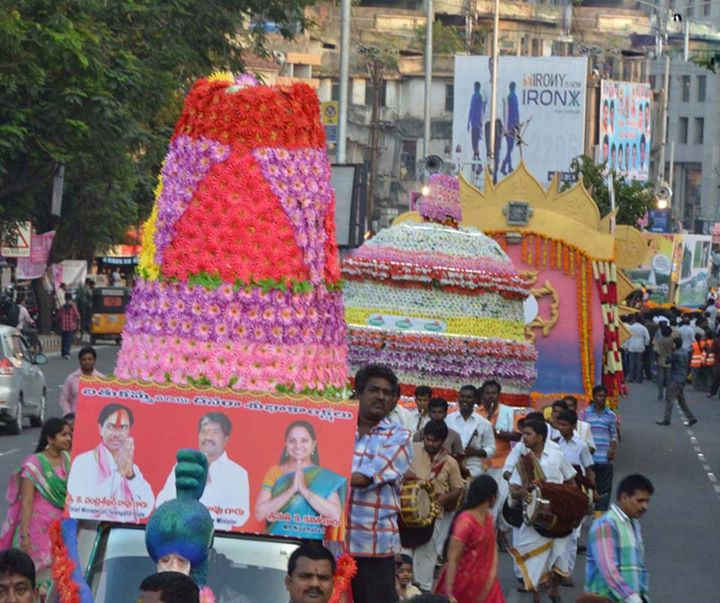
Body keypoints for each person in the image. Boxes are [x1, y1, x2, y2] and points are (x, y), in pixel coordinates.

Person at [349, 364, 413, 603]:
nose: (381, 397)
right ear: (358, 393)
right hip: (330, 545)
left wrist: (323, 476)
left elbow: (366, 477)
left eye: (387, 393)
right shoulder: (337, 427)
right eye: (374, 390)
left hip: (373, 549)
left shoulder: (399, 436)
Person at [507, 421, 577, 603]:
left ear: (540, 437)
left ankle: (554, 589)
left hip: (557, 516)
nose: (524, 437)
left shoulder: (556, 456)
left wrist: (566, 499)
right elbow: (513, 489)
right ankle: (536, 595)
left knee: (559, 555)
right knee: (533, 556)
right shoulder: (523, 461)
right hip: (533, 518)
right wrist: (521, 492)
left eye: (528, 434)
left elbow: (571, 482)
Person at [0, 418, 71, 593]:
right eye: (64, 435)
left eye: (70, 434)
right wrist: (24, 535)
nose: (69, 438)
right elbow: (27, 502)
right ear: (50, 438)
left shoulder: (69, 460)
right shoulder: (34, 464)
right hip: (37, 530)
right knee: (35, 573)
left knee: (58, 572)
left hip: (59, 528)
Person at [157, 412, 250, 530]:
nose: (208, 437)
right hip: (182, 536)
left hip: (219, 539)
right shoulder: (185, 465)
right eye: (204, 431)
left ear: (226, 440)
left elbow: (241, 518)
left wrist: (210, 485)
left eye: (214, 432)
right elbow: (160, 504)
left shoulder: (238, 473)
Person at [255, 419, 346, 538]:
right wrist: (290, 490)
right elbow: (259, 514)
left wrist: (304, 490)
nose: (298, 445)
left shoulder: (324, 477)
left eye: (304, 440)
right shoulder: (275, 472)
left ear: (313, 445)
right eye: (292, 440)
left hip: (312, 543)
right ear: (286, 444)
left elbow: (335, 515)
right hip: (276, 539)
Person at [67, 403, 155, 520]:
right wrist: (119, 474)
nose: (117, 434)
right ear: (100, 429)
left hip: (126, 533)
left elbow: (146, 509)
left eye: (123, 428)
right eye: (111, 427)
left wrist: (130, 476)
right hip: (92, 532)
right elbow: (81, 508)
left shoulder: (131, 468)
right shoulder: (84, 462)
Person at [406, 420, 464, 592]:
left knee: (427, 552)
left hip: (433, 514)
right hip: (408, 513)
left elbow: (458, 489)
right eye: (428, 439)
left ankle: (423, 590)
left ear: (443, 441)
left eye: (435, 440)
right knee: (406, 551)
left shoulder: (450, 462)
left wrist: (442, 500)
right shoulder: (411, 450)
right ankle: (404, 589)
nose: (430, 443)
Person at [434, 475, 505, 603]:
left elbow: (493, 549)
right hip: (464, 586)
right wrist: (449, 590)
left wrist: (491, 575)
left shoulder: (488, 518)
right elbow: (453, 559)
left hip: (487, 585)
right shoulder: (465, 521)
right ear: (491, 497)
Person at [584, 474, 654, 603]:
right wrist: (632, 598)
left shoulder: (633, 524)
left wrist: (642, 596)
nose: (645, 506)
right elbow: (609, 570)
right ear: (624, 497)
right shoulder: (606, 525)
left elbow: (639, 567)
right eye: (640, 500)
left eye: (647, 501)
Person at [553, 410, 596, 585]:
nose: (561, 428)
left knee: (572, 534)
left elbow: (590, 470)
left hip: (576, 492)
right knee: (557, 530)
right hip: (558, 490)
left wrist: (593, 492)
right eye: (559, 424)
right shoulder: (555, 444)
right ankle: (554, 569)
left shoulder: (581, 446)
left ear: (573, 426)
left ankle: (566, 571)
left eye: (565, 425)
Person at [476, 380, 521, 532]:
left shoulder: (507, 412)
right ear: (482, 395)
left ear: (498, 395)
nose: (491, 396)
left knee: (499, 499)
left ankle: (494, 531)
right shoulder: (477, 413)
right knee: (484, 499)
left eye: (494, 393)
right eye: (487, 393)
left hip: (501, 463)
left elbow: (517, 435)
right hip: (481, 463)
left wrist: (496, 432)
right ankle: (490, 531)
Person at [445, 385, 495, 478]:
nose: (465, 400)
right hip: (450, 463)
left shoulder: (484, 423)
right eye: (462, 396)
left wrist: (476, 452)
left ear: (475, 400)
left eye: (469, 397)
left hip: (473, 465)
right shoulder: (448, 419)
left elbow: (491, 448)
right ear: (458, 398)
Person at [581, 385, 618, 512]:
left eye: (604, 396)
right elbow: (581, 434)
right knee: (589, 487)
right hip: (589, 459)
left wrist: (612, 449)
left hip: (604, 459)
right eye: (599, 396)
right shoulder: (585, 414)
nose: (602, 399)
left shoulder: (611, 415)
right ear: (593, 397)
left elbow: (614, 435)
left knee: (604, 490)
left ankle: (600, 515)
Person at [656, 337, 698, 427]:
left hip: (676, 378)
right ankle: (691, 417)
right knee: (681, 399)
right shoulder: (685, 352)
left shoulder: (675, 354)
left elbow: (667, 361)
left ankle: (667, 419)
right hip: (683, 376)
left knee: (670, 399)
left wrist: (669, 352)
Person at [59, 346, 105, 415]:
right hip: (75, 420)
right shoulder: (71, 378)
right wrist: (69, 414)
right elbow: (64, 399)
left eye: (90, 359)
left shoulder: (102, 379)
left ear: (94, 360)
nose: (87, 362)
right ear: (80, 361)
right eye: (84, 359)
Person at [500, 81, 520, 175]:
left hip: (510, 125)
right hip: (510, 127)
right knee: (510, 147)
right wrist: (516, 124)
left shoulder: (511, 97)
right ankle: (504, 166)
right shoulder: (512, 98)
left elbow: (515, 112)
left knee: (510, 147)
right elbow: (513, 112)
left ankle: (508, 166)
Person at [467, 82, 486, 172]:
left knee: (476, 145)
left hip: (477, 125)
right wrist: (468, 122)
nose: (475, 88)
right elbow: (471, 110)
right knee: (474, 145)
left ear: (478, 87)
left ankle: (478, 164)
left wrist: (481, 124)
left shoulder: (479, 97)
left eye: (476, 87)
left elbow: (481, 111)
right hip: (473, 124)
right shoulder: (473, 96)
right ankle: (477, 163)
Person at [625, 315, 650, 383]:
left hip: (632, 345)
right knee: (639, 362)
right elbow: (647, 338)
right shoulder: (643, 328)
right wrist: (646, 344)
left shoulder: (631, 327)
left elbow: (628, 337)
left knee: (631, 362)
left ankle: (631, 378)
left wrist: (627, 346)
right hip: (640, 345)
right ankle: (638, 378)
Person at [654, 323, 675, 402]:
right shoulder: (672, 340)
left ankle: (660, 395)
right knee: (669, 379)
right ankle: (668, 396)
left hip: (660, 359)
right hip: (669, 360)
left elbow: (656, 351)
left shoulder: (659, 340)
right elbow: (674, 349)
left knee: (660, 378)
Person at [57, 293, 80, 359]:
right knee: (67, 340)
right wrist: (77, 324)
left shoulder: (62, 307)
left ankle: (64, 352)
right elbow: (77, 316)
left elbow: (59, 316)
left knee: (65, 340)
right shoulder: (73, 307)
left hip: (65, 326)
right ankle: (66, 353)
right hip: (70, 326)